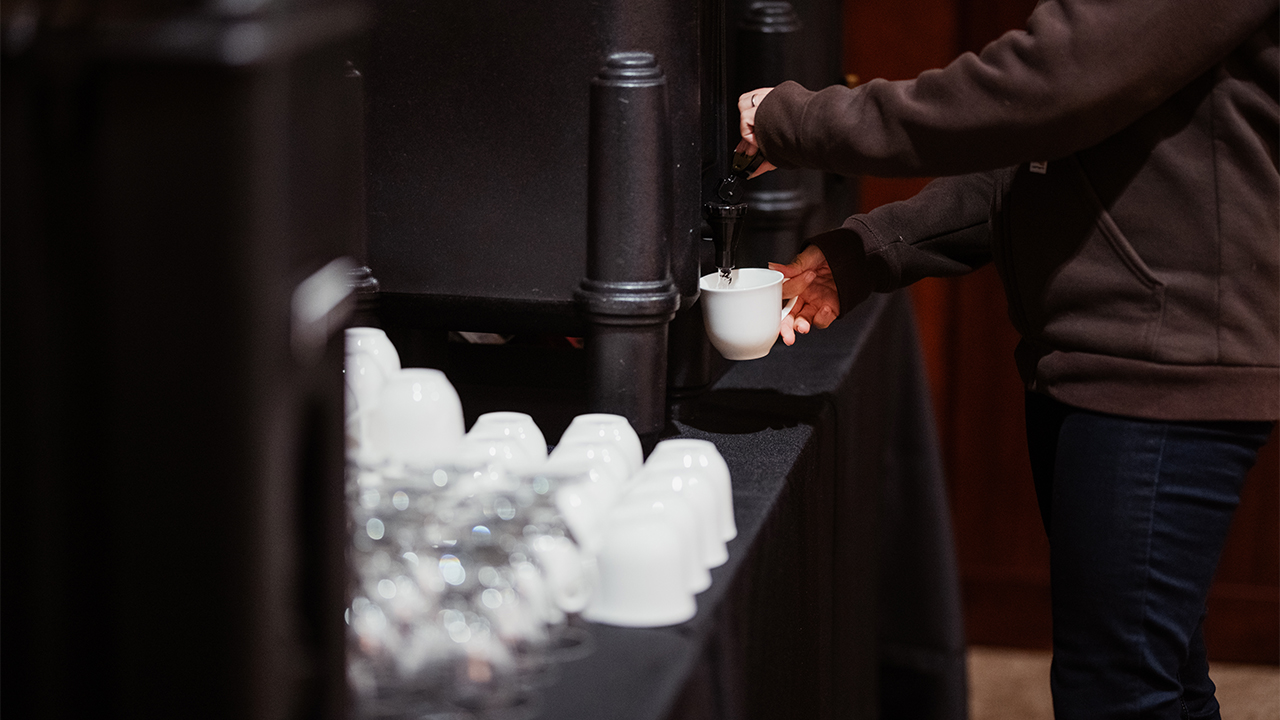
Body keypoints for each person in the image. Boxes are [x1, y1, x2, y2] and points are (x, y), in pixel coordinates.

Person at [735, 0, 1279, 718]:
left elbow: (1047, 86)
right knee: (1158, 681)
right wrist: (861, 252)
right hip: (1110, 354)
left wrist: (794, 120)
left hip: (1164, 363)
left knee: (1121, 694)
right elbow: (1045, 156)